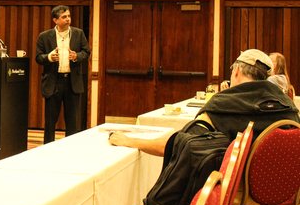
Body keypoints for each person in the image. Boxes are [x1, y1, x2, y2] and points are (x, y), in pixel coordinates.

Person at [109, 49, 300, 155]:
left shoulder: (222, 106)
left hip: (230, 197)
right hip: (277, 193)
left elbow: (179, 145)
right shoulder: (289, 109)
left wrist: (130, 141)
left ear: (236, 71)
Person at [36, 5, 90, 144]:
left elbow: (86, 52)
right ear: (55, 20)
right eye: (64, 17)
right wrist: (49, 57)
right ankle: (48, 148)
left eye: (69, 16)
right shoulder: (44, 36)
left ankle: (70, 147)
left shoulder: (78, 34)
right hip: (53, 82)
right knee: (50, 120)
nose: (68, 19)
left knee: (72, 120)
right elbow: (38, 57)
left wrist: (76, 56)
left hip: (72, 82)